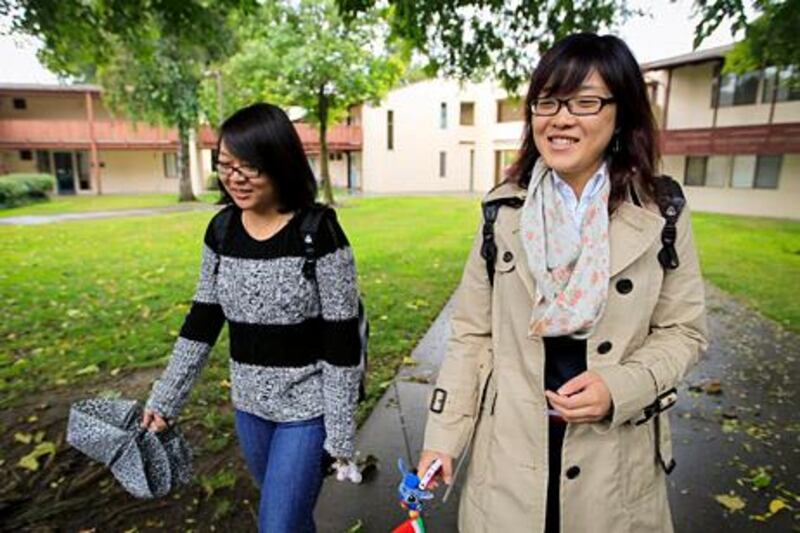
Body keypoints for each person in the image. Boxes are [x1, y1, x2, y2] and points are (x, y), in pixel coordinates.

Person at [417, 33, 708, 532]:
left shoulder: (662, 211)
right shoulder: (503, 211)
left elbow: (684, 332)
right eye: (547, 102)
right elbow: (471, 334)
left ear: (622, 114)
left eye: (586, 102)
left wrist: (620, 387)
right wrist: (442, 437)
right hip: (511, 452)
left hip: (614, 457)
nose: (561, 118)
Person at [141, 103, 362, 532]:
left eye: (250, 168)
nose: (235, 179)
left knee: (277, 525)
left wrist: (339, 429)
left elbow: (342, 341)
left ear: (280, 163)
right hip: (250, 408)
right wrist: (165, 399)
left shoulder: (319, 231)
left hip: (307, 409)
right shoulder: (221, 231)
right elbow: (201, 323)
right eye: (226, 166)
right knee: (291, 519)